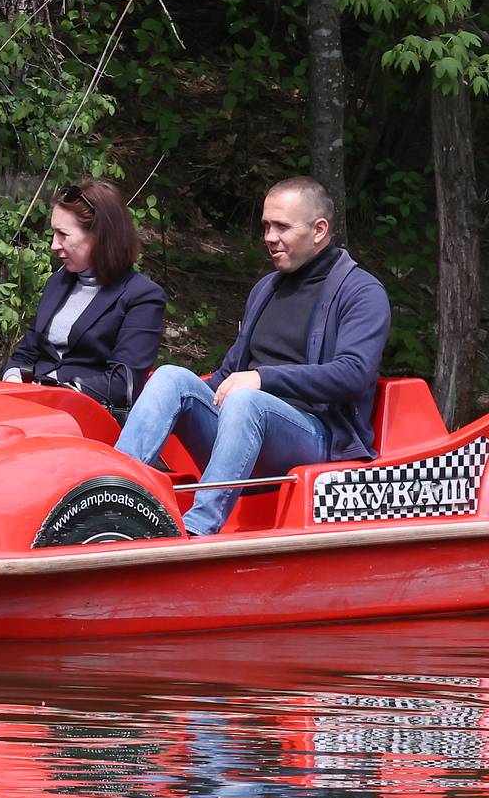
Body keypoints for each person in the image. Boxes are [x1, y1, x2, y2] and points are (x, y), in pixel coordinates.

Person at [115, 176, 391, 536]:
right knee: (171, 377)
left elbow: (353, 374)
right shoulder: (266, 288)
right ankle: (112, 497)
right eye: (266, 225)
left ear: (319, 230)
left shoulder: (362, 292)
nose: (269, 237)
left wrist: (264, 378)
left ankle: (196, 530)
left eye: (282, 227)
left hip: (316, 435)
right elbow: (229, 373)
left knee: (248, 401)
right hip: (242, 427)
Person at [0, 179, 166, 417]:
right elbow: (25, 353)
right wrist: (14, 377)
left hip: (77, 415)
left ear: (99, 236)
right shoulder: (58, 284)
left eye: (63, 234)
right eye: (53, 233)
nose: (53, 245)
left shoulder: (142, 296)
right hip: (26, 402)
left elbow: (123, 383)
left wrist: (54, 389)